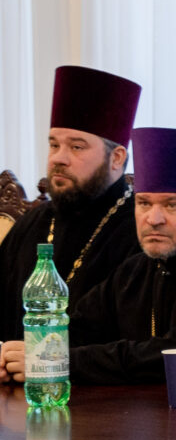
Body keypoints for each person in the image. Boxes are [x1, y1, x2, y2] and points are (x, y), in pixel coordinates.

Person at [3, 127, 176, 385]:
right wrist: (21, 356)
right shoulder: (137, 268)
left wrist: (62, 362)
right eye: (144, 203)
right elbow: (80, 329)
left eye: (172, 205)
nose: (154, 219)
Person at [0, 65, 144, 342]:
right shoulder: (32, 223)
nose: (58, 158)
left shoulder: (141, 230)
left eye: (76, 147)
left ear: (116, 158)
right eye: (54, 145)